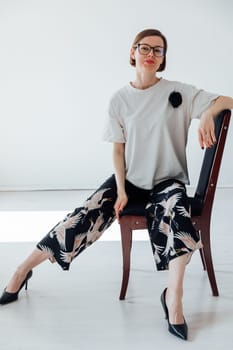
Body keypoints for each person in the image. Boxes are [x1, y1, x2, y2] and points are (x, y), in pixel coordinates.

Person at [0, 28, 232, 341]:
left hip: (168, 180)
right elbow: (118, 149)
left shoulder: (179, 91)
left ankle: (172, 299)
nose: (151, 54)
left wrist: (208, 113)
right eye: (144, 48)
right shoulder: (119, 99)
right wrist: (121, 190)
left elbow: (228, 100)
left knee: (175, 217)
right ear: (133, 52)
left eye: (158, 50)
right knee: (82, 215)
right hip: (131, 180)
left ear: (163, 59)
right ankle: (21, 270)